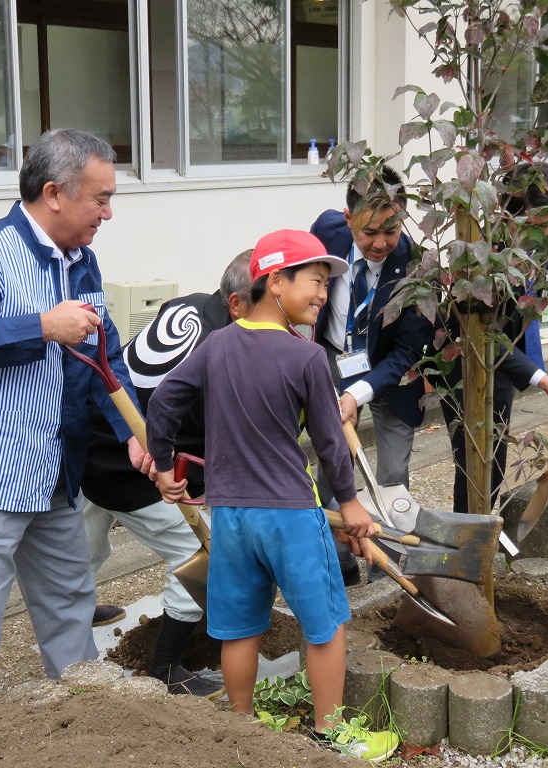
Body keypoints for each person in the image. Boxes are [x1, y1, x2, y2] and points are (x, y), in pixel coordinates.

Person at [0, 128, 143, 725]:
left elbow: (104, 357)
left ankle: (84, 730)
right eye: (101, 198)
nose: (109, 213)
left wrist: (138, 435)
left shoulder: (82, 262)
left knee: (71, 607)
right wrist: (39, 325)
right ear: (55, 193)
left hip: (52, 479)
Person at [147, 230, 399, 761]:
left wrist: (166, 467)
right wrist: (351, 504)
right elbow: (331, 442)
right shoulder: (306, 358)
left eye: (327, 286)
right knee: (324, 625)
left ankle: (241, 727)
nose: (322, 296)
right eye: (314, 282)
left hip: (231, 516)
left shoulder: (216, 345)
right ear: (276, 282)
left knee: (239, 628)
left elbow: (166, 399)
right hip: (289, 514)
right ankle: (332, 733)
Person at [81, 250, 253, 696]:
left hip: (99, 439)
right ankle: (166, 668)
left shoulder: (193, 305)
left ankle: (74, 610)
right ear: (237, 303)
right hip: (133, 463)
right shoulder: (222, 351)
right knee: (198, 556)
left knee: (85, 544)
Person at [310, 165, 432, 582]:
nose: (380, 243)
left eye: (391, 230)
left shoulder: (416, 265)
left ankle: (387, 564)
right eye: (369, 232)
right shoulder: (326, 232)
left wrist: (357, 394)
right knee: (334, 461)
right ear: (349, 219)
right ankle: (337, 559)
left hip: (392, 374)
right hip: (333, 357)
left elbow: (407, 350)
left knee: (393, 474)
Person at [439, 163, 548, 513]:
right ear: (509, 214)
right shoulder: (481, 257)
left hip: (501, 362)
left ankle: (479, 536)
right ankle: (467, 542)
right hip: (468, 365)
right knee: (476, 465)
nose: (544, 233)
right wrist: (542, 379)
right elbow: (482, 336)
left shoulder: (532, 243)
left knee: (493, 465)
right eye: (536, 225)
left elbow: (545, 272)